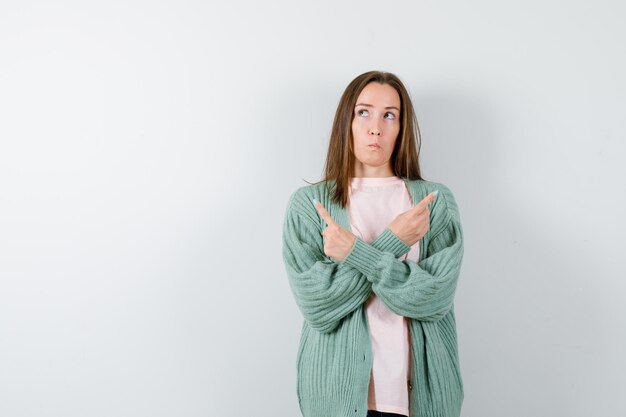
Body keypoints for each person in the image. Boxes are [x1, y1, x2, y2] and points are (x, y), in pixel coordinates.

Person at [282, 70, 465, 417]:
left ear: (401, 128)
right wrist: (394, 241)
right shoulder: (309, 206)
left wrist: (354, 253)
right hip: (336, 400)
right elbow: (318, 305)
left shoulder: (433, 202)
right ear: (346, 122)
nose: (375, 127)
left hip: (420, 401)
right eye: (363, 112)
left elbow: (434, 297)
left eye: (389, 115)